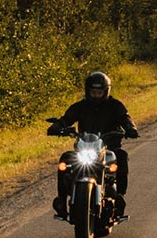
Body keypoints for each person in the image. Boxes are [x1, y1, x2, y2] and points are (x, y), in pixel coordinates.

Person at [48, 71, 140, 218]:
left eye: (99, 92)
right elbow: (66, 119)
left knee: (121, 156)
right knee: (65, 159)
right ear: (87, 91)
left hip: (109, 147)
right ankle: (61, 200)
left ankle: (119, 196)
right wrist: (57, 126)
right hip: (85, 147)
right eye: (93, 92)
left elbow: (125, 118)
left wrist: (131, 128)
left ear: (106, 91)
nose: (96, 95)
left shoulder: (115, 106)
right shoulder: (80, 106)